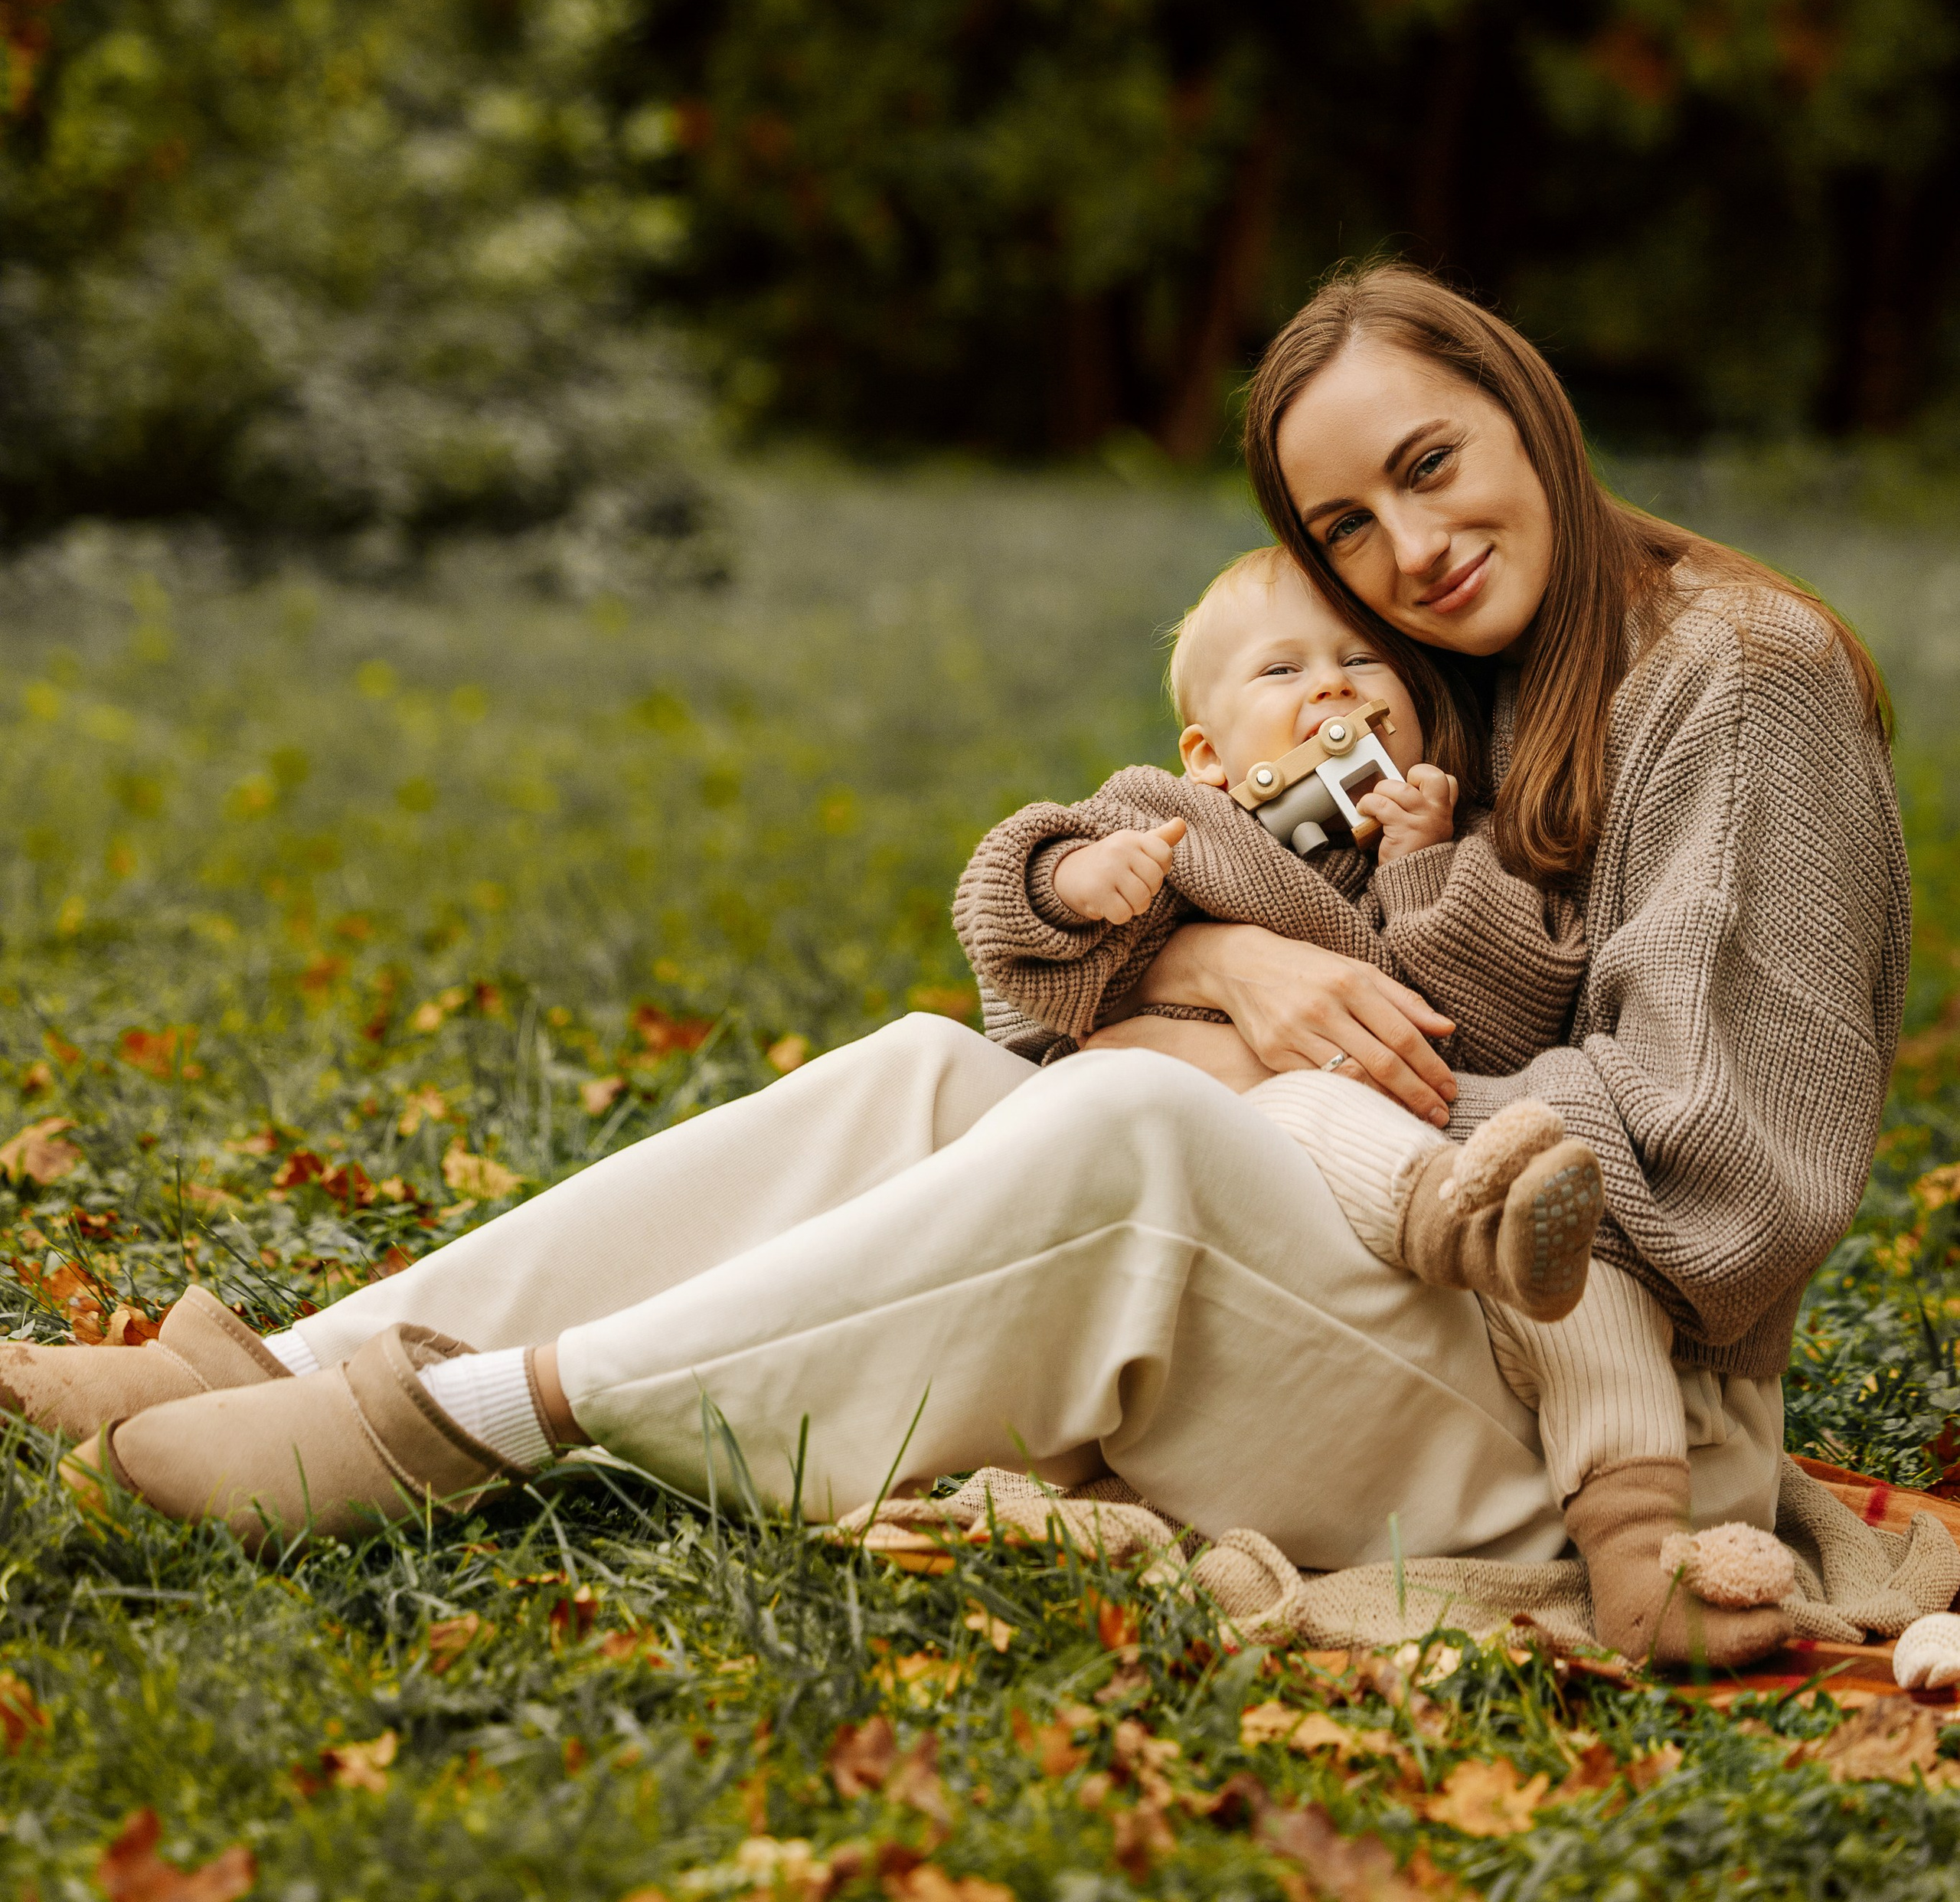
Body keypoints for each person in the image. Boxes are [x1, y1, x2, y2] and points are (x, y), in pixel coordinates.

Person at [0, 267, 1900, 1671]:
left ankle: (469, 1420)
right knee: (919, 1080)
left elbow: (1723, 1185)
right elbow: (1051, 983)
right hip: (1414, 1297)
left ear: (1526, 403)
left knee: (1136, 1136)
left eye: (1430, 464)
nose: (1407, 548)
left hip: (1602, 1411)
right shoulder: (1461, 680)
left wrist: (1314, 1092)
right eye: (1342, 526)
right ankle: (289, 1357)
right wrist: (1231, 958)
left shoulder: (1735, 676)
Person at [954, 539, 1722, 1593]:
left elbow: (1500, 1024)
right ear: (1209, 752)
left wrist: (1427, 869)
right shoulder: (1176, 823)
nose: (1330, 685)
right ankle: (1467, 1211)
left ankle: (1642, 1551)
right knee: (1308, 1097)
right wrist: (1081, 877)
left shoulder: (1460, 847)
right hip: (1253, 1176)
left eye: (1363, 662)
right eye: (1282, 670)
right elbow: (1006, 923)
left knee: (1595, 1275)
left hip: (1442, 1200)